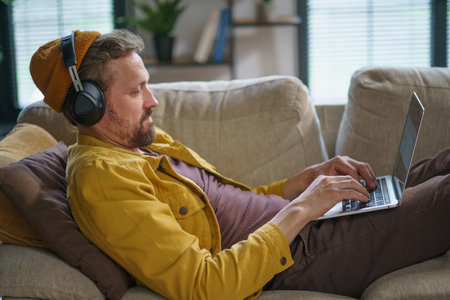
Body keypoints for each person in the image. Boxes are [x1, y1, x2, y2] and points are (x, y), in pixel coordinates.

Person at [29, 29, 450, 299]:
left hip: (303, 221)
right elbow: (204, 285)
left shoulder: (141, 142)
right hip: (305, 251)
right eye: (137, 91)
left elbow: (228, 203)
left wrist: (302, 184)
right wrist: (304, 208)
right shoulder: (101, 181)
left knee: (439, 163)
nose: (153, 101)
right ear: (89, 105)